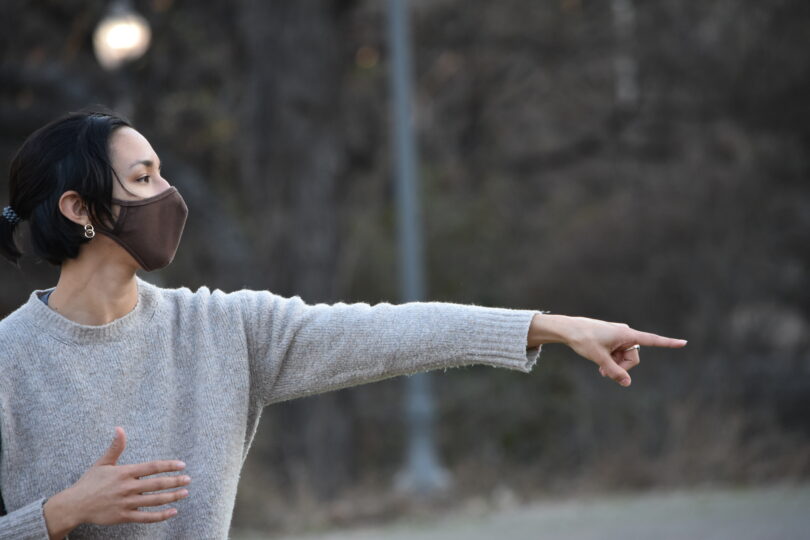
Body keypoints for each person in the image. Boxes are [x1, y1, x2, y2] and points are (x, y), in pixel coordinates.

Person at [0, 109, 687, 540]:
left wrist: (553, 327)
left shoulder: (223, 330)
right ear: (79, 209)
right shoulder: (9, 362)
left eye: (163, 175)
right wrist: (59, 515)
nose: (168, 195)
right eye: (144, 178)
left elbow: (388, 331)